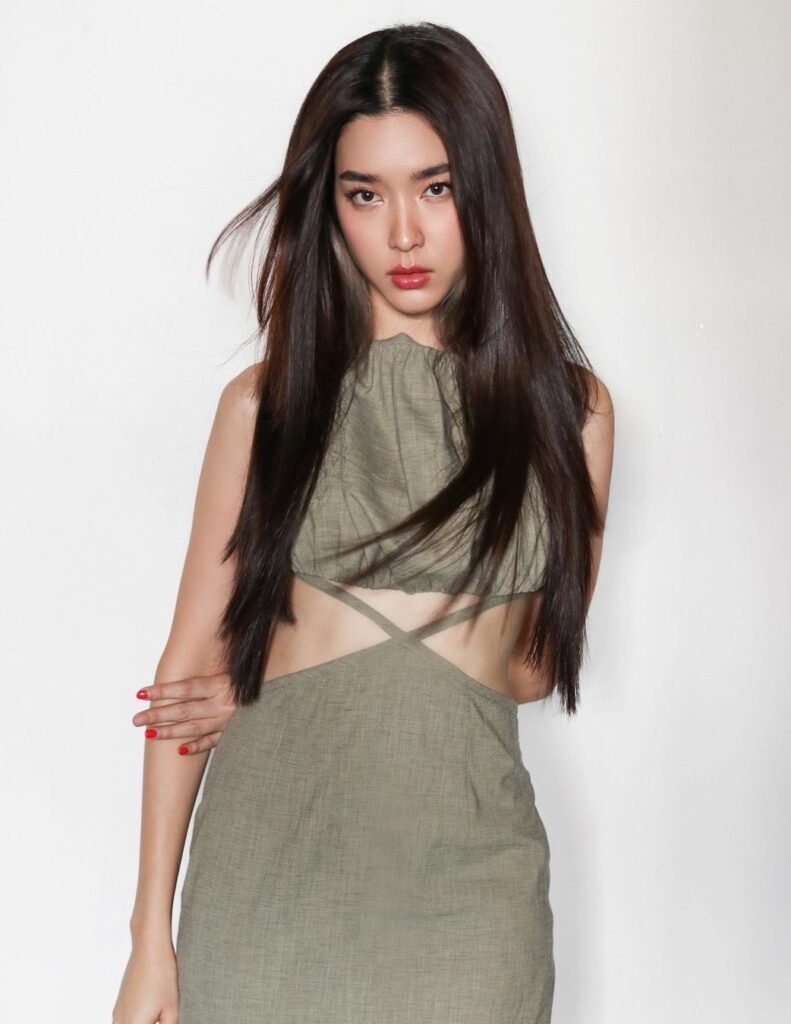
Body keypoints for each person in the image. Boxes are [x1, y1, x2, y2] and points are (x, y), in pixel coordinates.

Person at [113, 21, 614, 1024]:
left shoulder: (574, 412)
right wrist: (148, 943)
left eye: (436, 187)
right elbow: (185, 671)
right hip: (268, 873)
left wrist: (369, 652)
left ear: (487, 189)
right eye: (365, 194)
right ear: (330, 206)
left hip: (473, 889)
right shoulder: (264, 407)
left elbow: (529, 667)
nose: (404, 234)